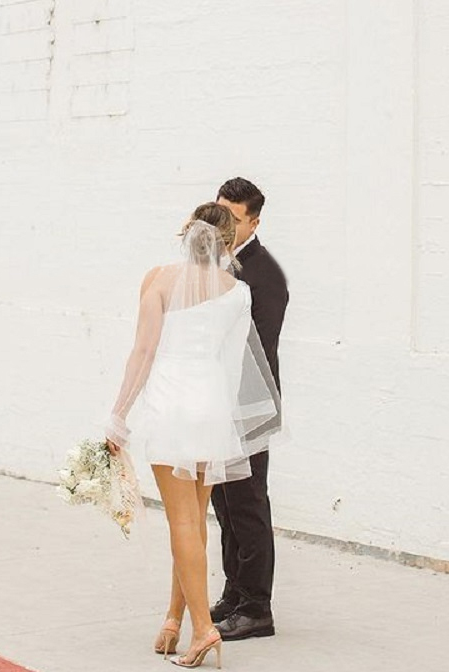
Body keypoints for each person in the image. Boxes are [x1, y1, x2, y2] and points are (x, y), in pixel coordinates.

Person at [105, 202, 281, 668]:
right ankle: (172, 619)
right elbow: (232, 360)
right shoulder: (237, 292)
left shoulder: (158, 280)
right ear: (225, 244)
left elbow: (142, 354)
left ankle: (203, 631)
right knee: (196, 523)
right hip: (211, 408)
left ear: (187, 234)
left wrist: (118, 417)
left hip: (171, 406)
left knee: (181, 523)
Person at [210, 178, 289, 641]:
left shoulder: (265, 275)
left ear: (254, 222)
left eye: (232, 218)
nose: (221, 225)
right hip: (217, 405)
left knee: (248, 504)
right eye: (217, 213)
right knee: (223, 503)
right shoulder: (217, 264)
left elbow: (257, 350)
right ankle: (235, 592)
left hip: (248, 407)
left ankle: (258, 607)